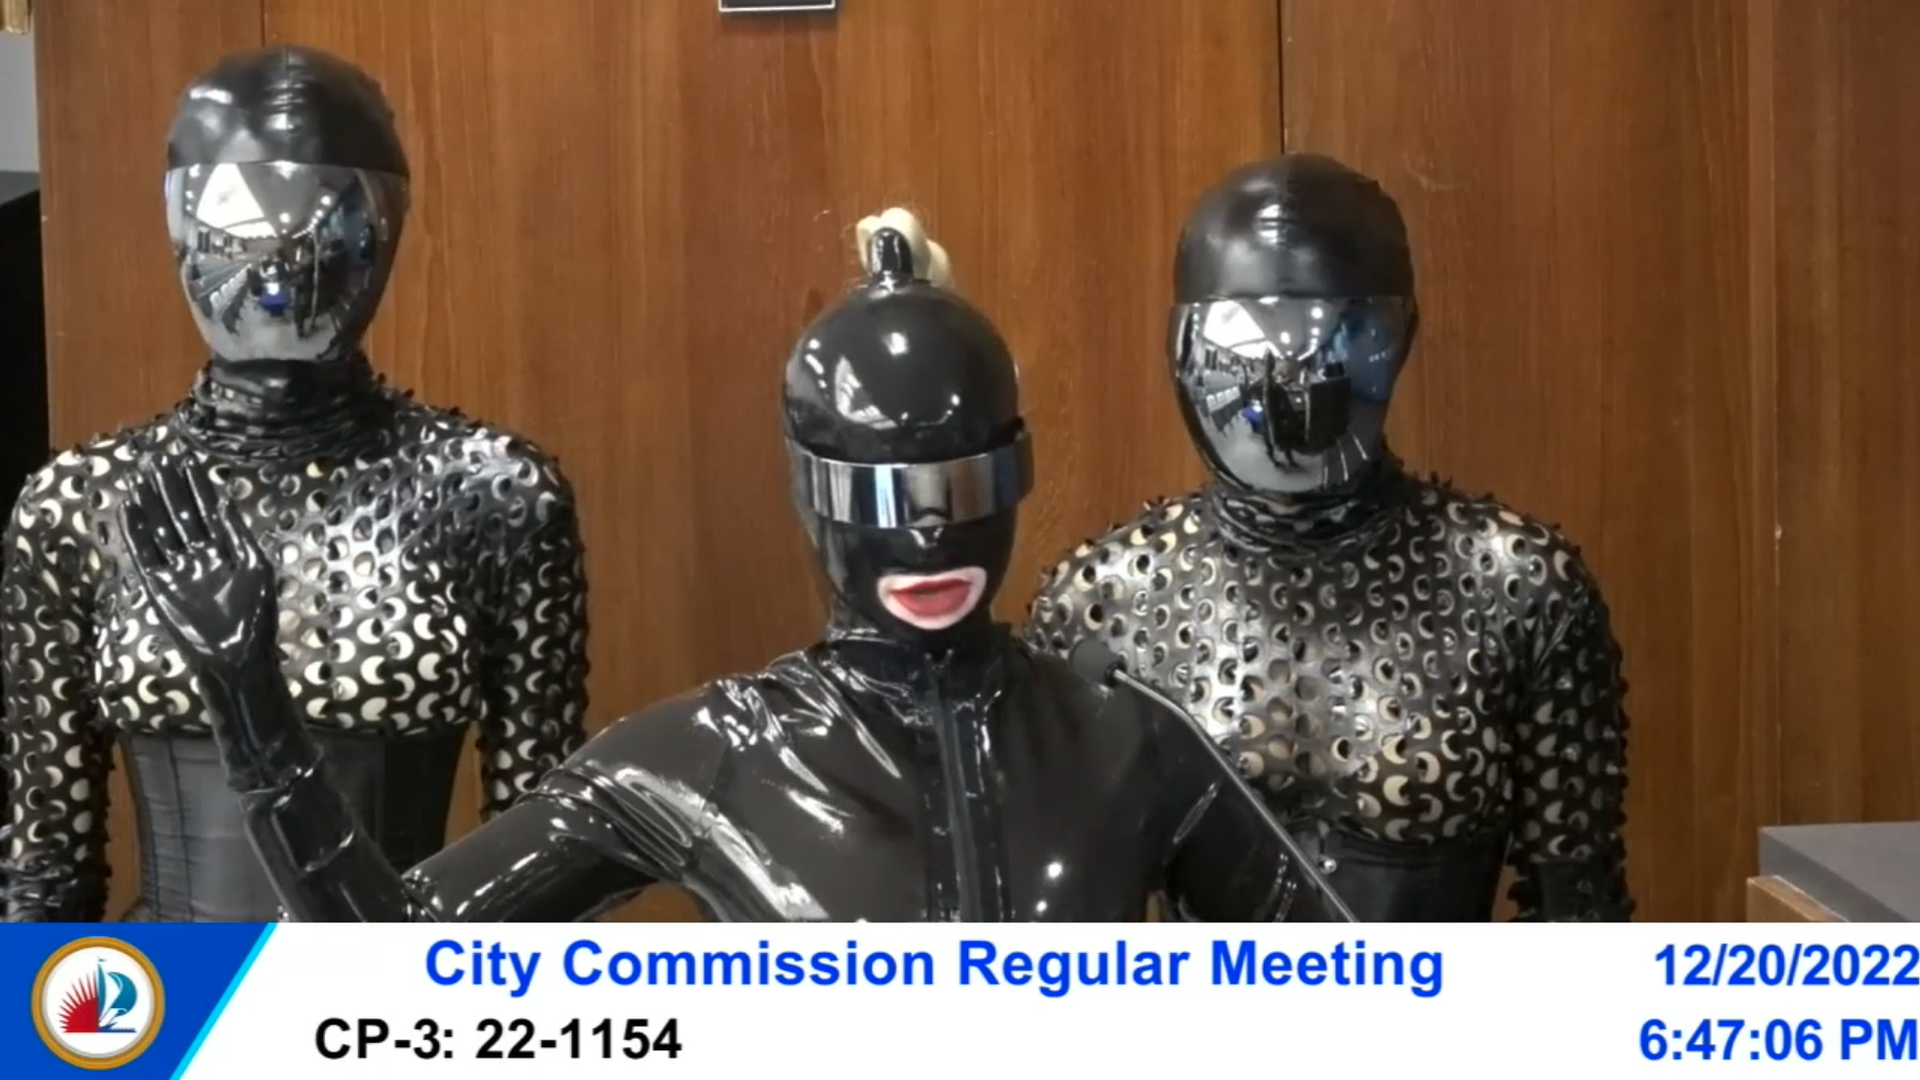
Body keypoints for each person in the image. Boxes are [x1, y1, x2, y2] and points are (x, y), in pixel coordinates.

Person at [116, 213, 1347, 922]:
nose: (924, 533)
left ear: (1015, 477)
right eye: (878, 491)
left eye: (958, 487)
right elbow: (399, 977)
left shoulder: (1128, 741)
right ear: (812, 490)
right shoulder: (706, 755)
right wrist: (253, 713)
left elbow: (1363, 1009)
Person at [0, 46, 588, 921]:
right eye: (236, 232)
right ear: (178, 225)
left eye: (315, 228)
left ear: (384, 227)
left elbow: (541, 869)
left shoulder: (492, 493)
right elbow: (45, 861)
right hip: (173, 1026)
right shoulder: (83, 502)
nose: (276, 270)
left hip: (396, 1028)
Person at [1025, 154, 1632, 921]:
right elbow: (1070, 926)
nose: (1289, 377)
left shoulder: (1516, 584)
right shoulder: (1106, 600)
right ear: (1186, 341)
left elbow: (1581, 917)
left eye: (1331, 337)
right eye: (1249, 338)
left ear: (1397, 332)